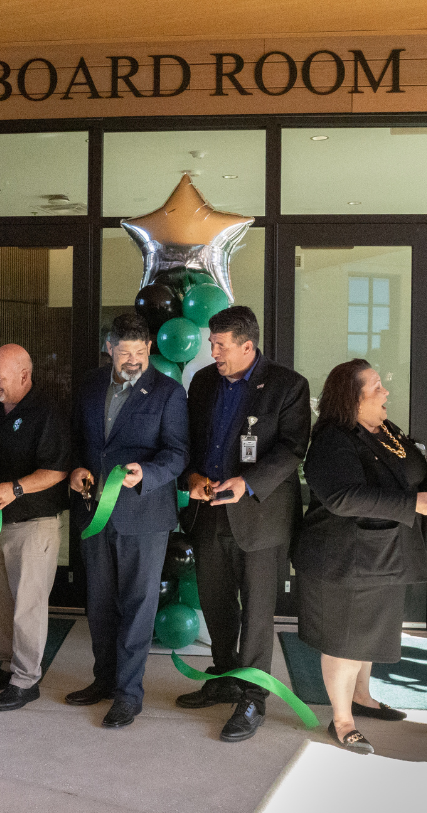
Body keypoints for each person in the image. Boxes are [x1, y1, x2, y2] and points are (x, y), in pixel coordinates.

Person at [177, 306, 313, 743]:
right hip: (209, 512)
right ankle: (224, 676)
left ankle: (254, 697)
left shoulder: (288, 385)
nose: (213, 353)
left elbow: (293, 449)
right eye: (211, 344)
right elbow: (189, 443)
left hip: (260, 517)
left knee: (256, 612)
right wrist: (191, 477)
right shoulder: (202, 382)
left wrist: (248, 483)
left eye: (220, 346)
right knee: (216, 603)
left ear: (247, 346)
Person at [294, 360, 427, 754]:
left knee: (368, 635)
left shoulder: (386, 430)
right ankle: (342, 721)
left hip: (382, 554)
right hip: (342, 559)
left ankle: (362, 697)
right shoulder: (333, 439)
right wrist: (412, 503)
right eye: (376, 386)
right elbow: (343, 497)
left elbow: (409, 474)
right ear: (352, 399)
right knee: (344, 642)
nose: (385, 392)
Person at [65, 313, 188, 728]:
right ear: (109, 348)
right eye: (124, 353)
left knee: (137, 606)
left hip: (144, 515)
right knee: (99, 603)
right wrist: (76, 469)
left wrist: (145, 474)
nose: (133, 360)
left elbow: (177, 454)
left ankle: (129, 694)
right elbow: (79, 441)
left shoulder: (169, 393)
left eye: (140, 352)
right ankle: (103, 680)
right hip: (93, 512)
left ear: (150, 348)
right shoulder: (89, 385)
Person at [0, 344, 71, 711]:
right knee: (1, 600)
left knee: (27, 606)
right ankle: (7, 666)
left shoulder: (47, 412)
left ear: (24, 376)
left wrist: (15, 489)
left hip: (34, 523)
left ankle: (26, 680)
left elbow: (57, 470)